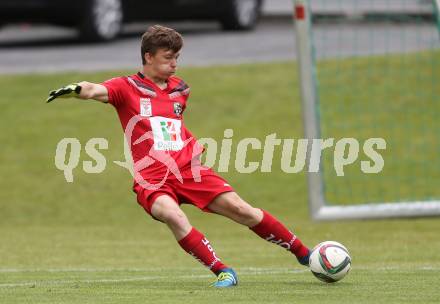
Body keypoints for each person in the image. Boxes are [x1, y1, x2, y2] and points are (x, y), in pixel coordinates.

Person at [46, 25, 310, 288]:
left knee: (243, 210)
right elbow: (94, 89)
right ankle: (222, 271)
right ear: (148, 57)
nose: (174, 64)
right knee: (173, 215)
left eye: (177, 58)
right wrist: (76, 88)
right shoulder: (126, 88)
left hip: (188, 170)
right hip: (152, 178)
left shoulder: (180, 90)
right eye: (167, 57)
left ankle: (305, 254)